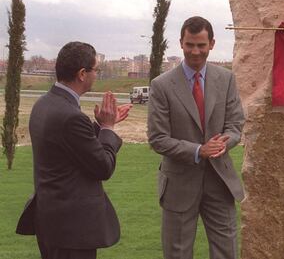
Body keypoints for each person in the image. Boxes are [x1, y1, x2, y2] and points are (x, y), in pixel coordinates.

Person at [16, 41, 132, 259]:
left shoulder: (44, 104)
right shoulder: (71, 116)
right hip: (73, 230)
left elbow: (70, 147)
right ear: (82, 73)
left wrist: (98, 126)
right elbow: (103, 167)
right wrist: (108, 128)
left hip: (50, 222)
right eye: (95, 70)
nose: (96, 75)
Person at [148, 16, 245, 259]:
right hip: (179, 184)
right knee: (178, 253)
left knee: (227, 252)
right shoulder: (161, 85)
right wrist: (198, 150)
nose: (195, 51)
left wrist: (223, 143)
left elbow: (235, 126)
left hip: (219, 180)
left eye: (201, 45)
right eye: (190, 44)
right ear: (181, 43)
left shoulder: (226, 79)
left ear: (212, 43)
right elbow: (158, 138)